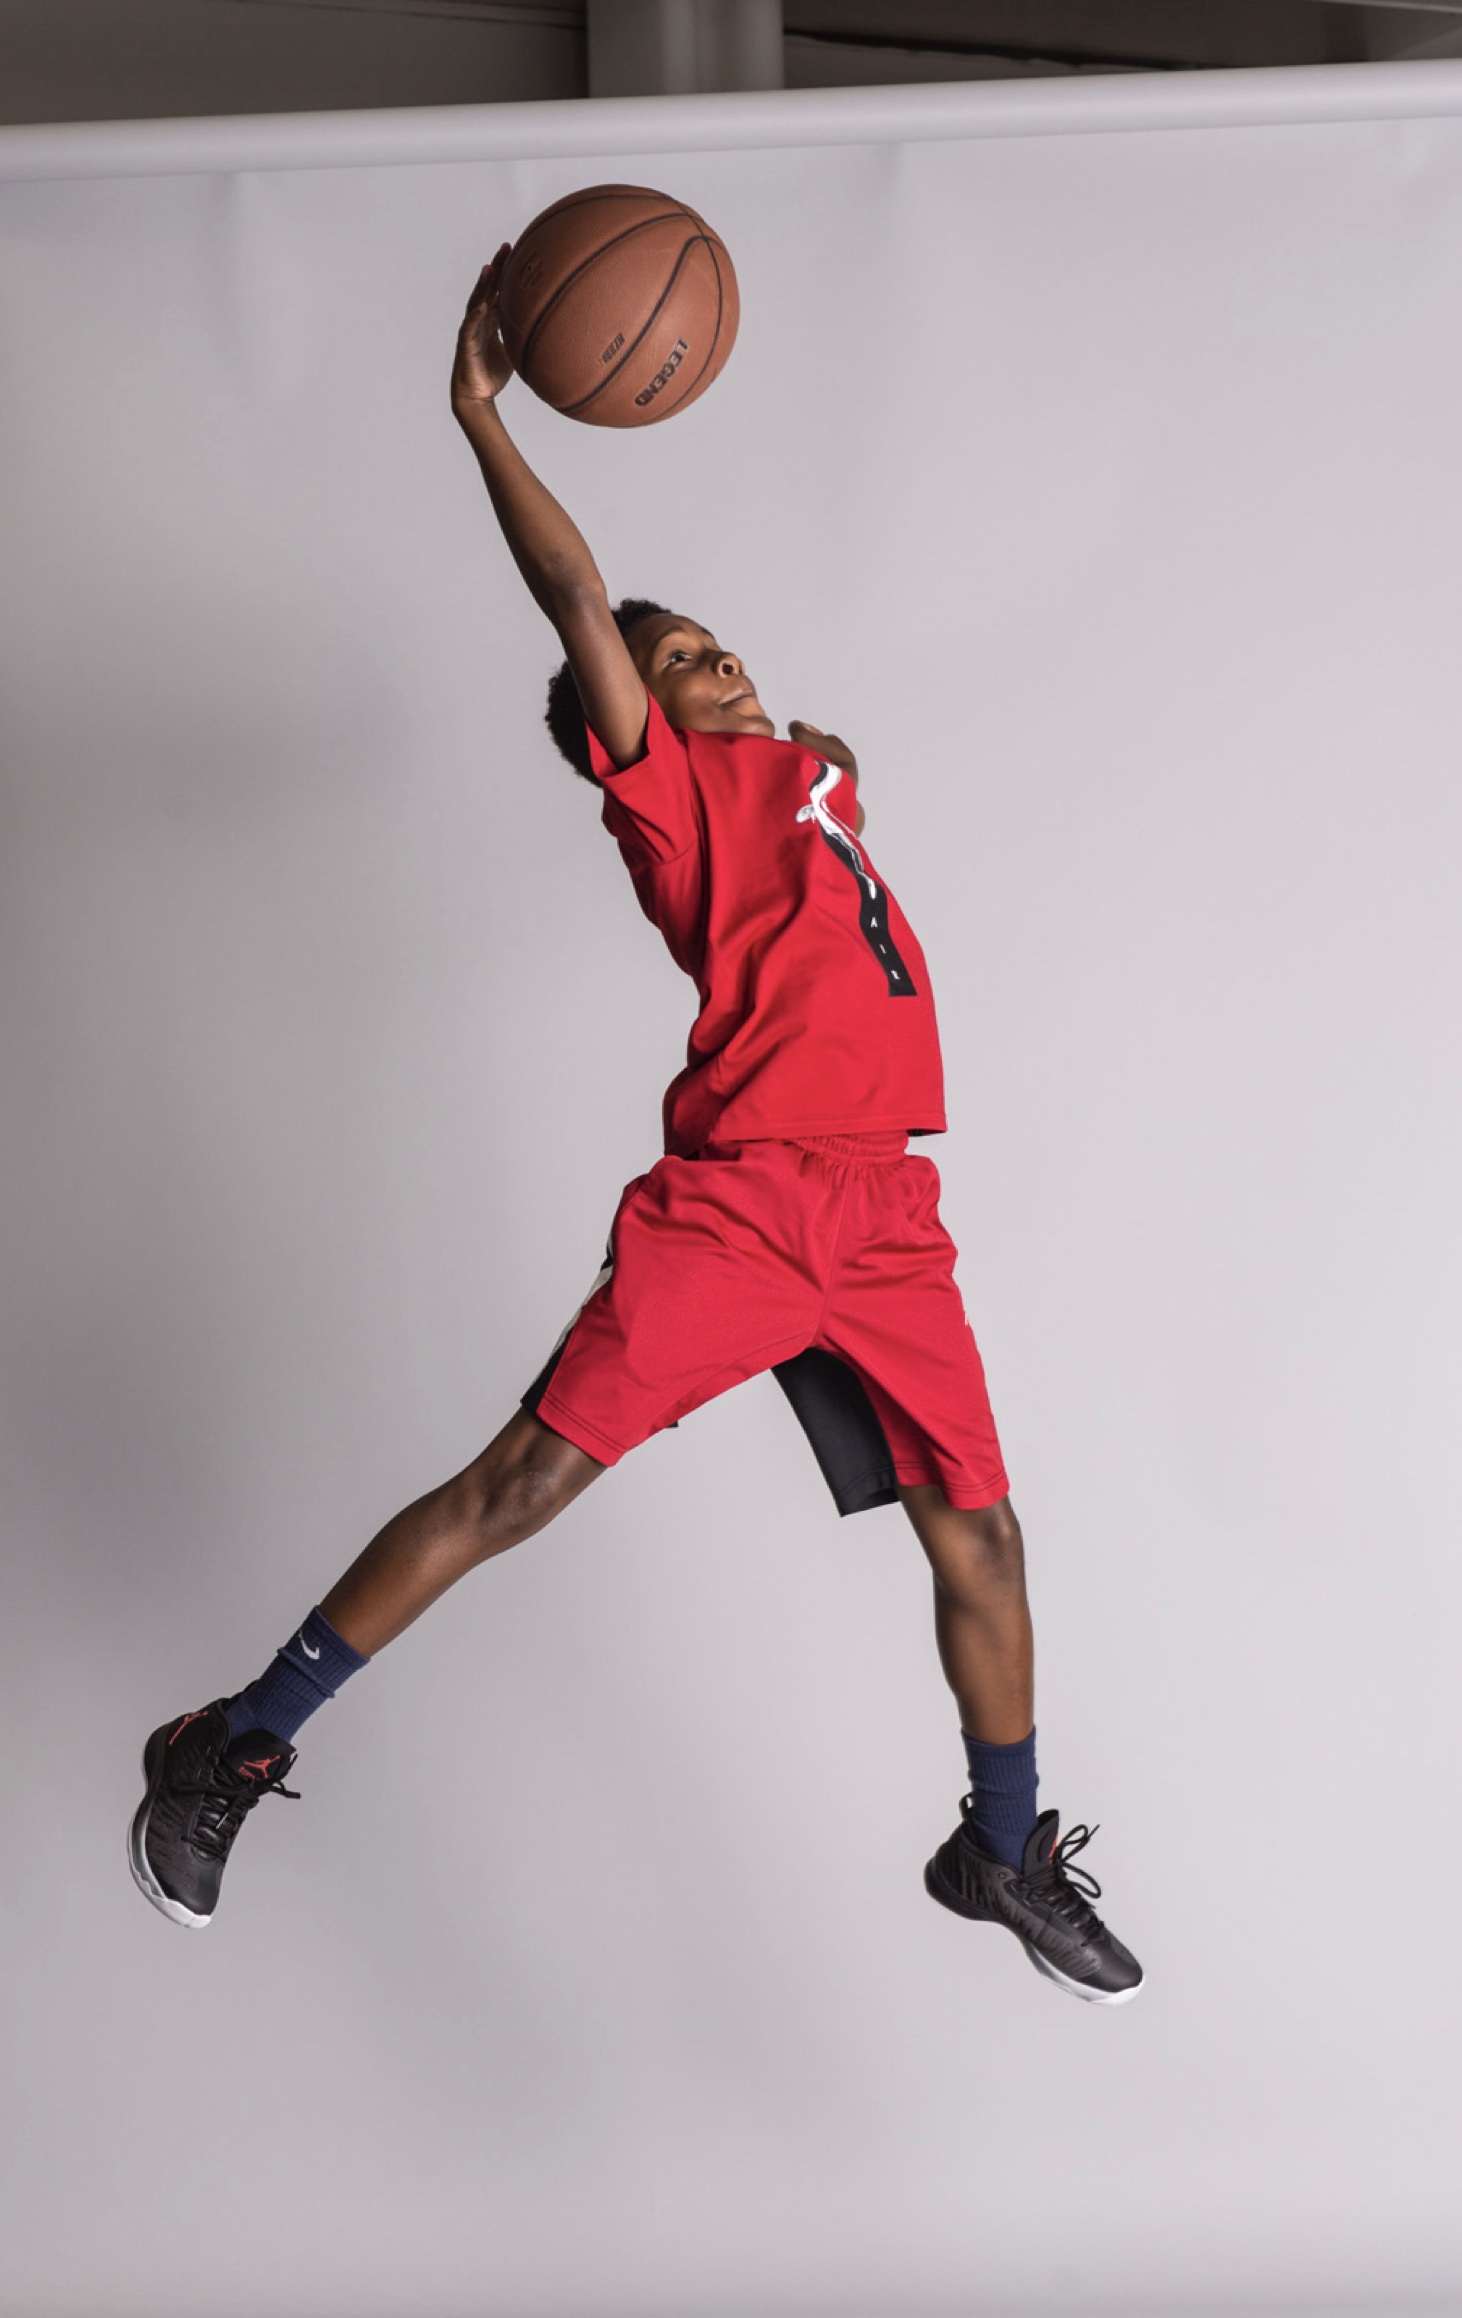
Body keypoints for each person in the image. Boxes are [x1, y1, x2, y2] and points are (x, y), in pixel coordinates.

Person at [128, 250, 1142, 2005]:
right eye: (679, 660)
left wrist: (812, 745)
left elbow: (816, 765)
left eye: (717, 641)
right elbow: (579, 595)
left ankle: (999, 1846)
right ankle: (232, 1741)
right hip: (739, 1212)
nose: (711, 657)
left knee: (984, 1534)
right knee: (526, 1482)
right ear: (632, 721)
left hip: (888, 1219)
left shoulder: (811, 783)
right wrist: (477, 419)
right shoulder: (672, 802)